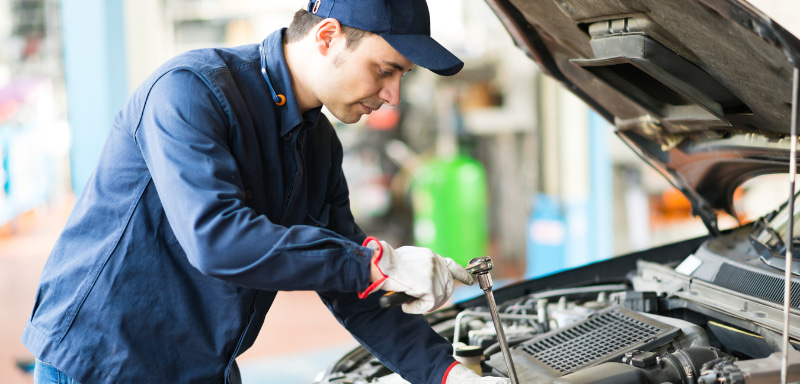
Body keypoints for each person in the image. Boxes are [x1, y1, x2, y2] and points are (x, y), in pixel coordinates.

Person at [22, 0, 511, 383]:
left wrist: (447, 375)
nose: (392, 96)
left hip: (203, 367)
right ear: (327, 37)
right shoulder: (189, 92)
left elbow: (352, 288)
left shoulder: (318, 144)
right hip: (104, 364)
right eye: (385, 70)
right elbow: (218, 240)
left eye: (402, 76)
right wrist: (377, 264)